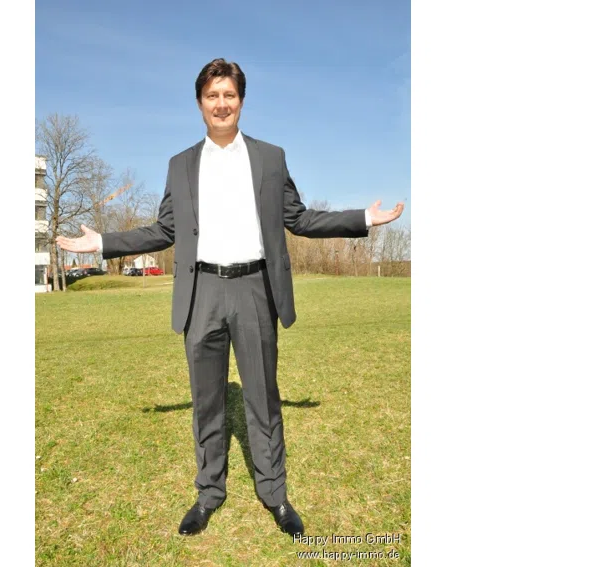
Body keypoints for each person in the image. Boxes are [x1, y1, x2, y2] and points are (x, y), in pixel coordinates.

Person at [56, 58, 404, 537]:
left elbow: (300, 219)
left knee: (263, 397)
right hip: (202, 292)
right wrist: (103, 243)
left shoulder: (270, 158)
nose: (221, 104)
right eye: (212, 96)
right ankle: (209, 493)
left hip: (255, 289)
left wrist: (362, 218)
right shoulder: (181, 164)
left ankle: (275, 495)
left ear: (241, 101)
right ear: (200, 103)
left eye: (229, 95)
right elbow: (163, 230)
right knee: (207, 401)